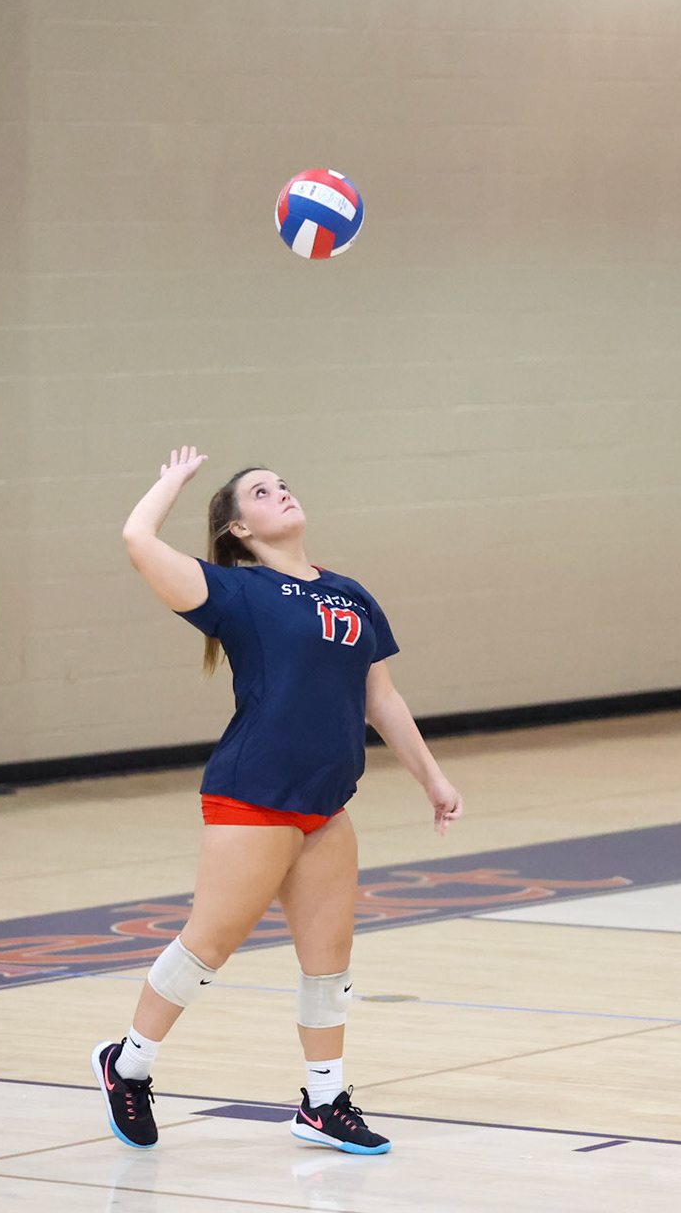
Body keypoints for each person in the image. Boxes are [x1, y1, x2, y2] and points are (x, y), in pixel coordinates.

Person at [96, 446, 465, 1155]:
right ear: (238, 529)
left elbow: (379, 698)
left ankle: (323, 1101)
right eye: (261, 493)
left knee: (329, 960)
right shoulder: (236, 592)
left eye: (283, 485)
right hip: (254, 792)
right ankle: (129, 1064)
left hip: (326, 801)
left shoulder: (351, 593)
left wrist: (432, 777)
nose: (281, 494)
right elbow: (138, 542)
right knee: (211, 944)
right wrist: (173, 480)